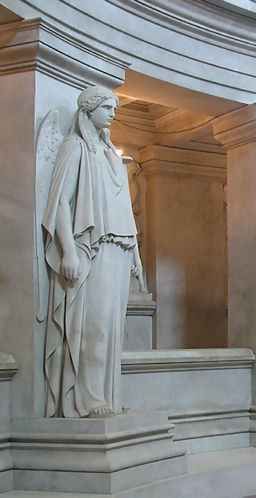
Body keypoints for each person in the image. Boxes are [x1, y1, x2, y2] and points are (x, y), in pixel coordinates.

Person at [42, 86, 141, 417]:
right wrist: (68, 251)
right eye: (107, 107)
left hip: (119, 249)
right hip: (92, 249)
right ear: (89, 110)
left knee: (112, 330)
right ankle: (87, 397)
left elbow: (125, 210)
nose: (113, 113)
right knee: (94, 325)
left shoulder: (111, 154)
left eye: (114, 108)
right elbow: (60, 203)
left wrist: (136, 254)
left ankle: (108, 395)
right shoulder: (76, 148)